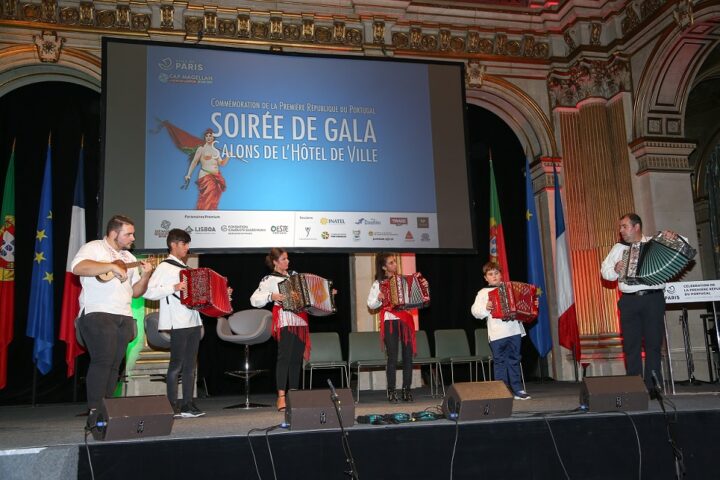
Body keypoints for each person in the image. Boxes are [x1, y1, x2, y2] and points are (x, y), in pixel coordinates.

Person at [71, 215, 153, 420]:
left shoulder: (130, 258)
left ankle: (106, 409)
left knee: (115, 364)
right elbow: (77, 267)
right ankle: (94, 410)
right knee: (103, 360)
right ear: (114, 233)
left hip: (123, 316)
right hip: (98, 313)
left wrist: (145, 276)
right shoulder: (94, 247)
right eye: (129, 234)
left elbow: (136, 292)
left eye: (133, 234)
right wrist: (111, 266)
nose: (133, 238)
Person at [144, 229, 228, 418]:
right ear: (173, 245)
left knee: (191, 365)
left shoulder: (185, 268)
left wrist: (221, 294)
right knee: (177, 364)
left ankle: (187, 404)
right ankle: (171, 406)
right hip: (178, 322)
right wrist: (173, 287)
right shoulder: (165, 267)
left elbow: (199, 295)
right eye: (184, 244)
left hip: (193, 321)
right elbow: (148, 292)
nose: (187, 248)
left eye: (188, 244)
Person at [601, 212, 666, 394]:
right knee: (631, 345)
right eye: (620, 227)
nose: (621, 230)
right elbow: (605, 272)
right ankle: (634, 387)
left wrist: (670, 235)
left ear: (636, 227)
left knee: (654, 343)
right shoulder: (618, 248)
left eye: (624, 226)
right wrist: (615, 269)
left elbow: (679, 246)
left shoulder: (655, 244)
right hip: (629, 301)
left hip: (653, 298)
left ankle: (653, 386)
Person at [250, 248, 310, 411]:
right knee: (284, 357)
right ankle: (281, 397)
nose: (287, 261)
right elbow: (254, 300)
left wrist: (325, 295)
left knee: (296, 359)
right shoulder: (269, 279)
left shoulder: (294, 276)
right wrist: (271, 296)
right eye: (283, 259)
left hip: (300, 319)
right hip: (284, 318)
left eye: (287, 258)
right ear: (275, 262)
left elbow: (307, 295)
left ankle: (294, 395)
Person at [470, 262, 531, 400]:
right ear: (486, 278)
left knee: (514, 360)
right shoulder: (483, 293)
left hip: (514, 330)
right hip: (497, 333)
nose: (494, 276)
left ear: (501, 274)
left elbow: (524, 304)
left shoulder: (511, 288)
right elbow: (475, 312)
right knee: (500, 362)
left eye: (496, 273)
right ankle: (502, 391)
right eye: (490, 274)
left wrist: (531, 304)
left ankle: (518, 389)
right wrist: (486, 307)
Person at [366, 253, 417, 402]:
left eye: (395, 261)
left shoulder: (403, 280)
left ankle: (406, 390)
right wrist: (378, 298)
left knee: (408, 356)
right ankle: (391, 391)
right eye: (391, 262)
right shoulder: (378, 283)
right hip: (390, 321)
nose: (395, 264)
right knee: (392, 357)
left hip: (405, 320)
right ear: (384, 267)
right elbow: (370, 304)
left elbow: (411, 299)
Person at [184, 129, 230, 210]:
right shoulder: (201, 149)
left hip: (216, 177)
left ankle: (210, 214)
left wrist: (228, 156)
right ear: (205, 137)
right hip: (206, 176)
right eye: (206, 136)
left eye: (210, 136)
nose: (208, 137)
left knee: (213, 199)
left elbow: (221, 163)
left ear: (213, 138)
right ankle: (205, 213)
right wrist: (188, 175)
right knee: (208, 198)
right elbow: (194, 162)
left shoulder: (216, 151)